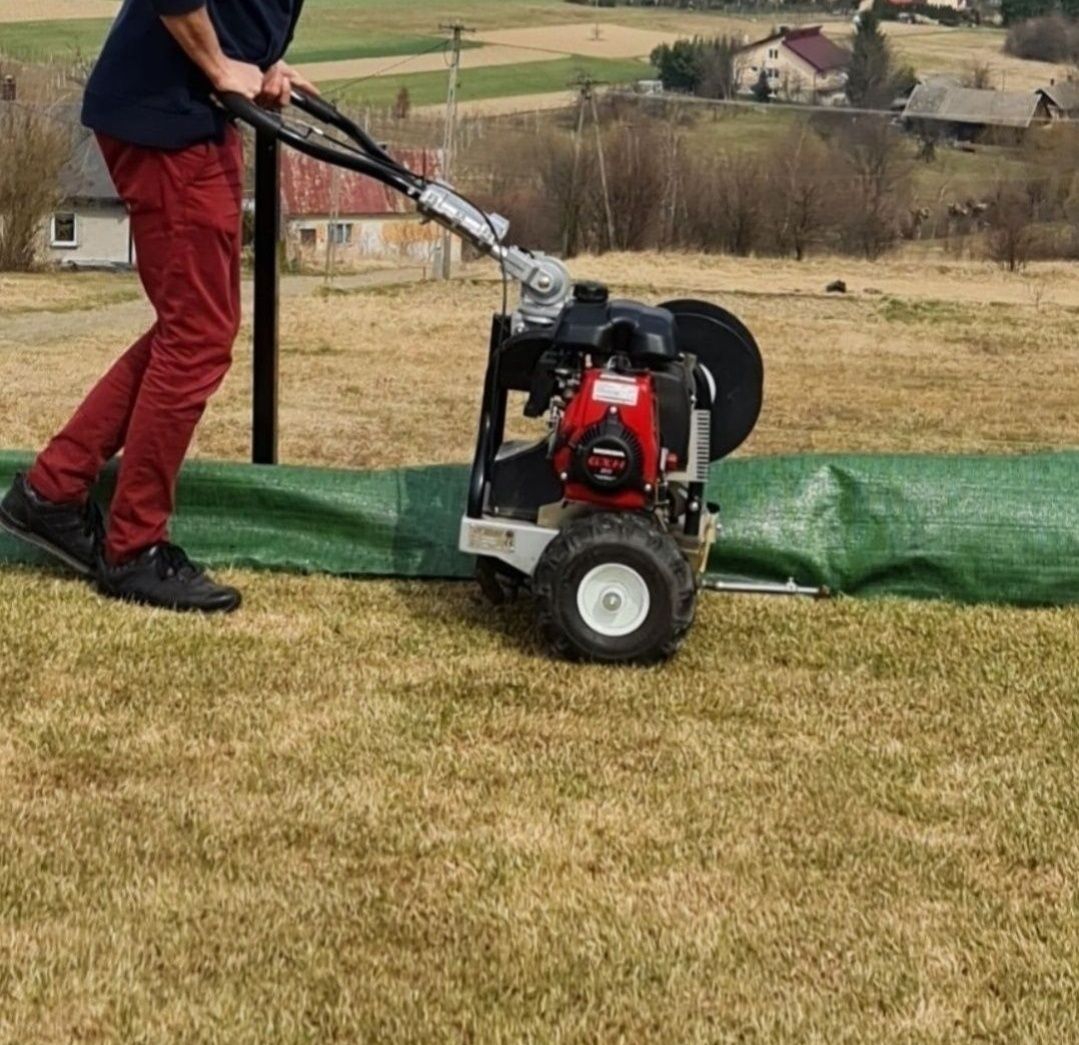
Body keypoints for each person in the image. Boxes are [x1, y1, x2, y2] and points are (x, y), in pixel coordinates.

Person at [0, 0, 314, 614]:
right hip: (167, 120)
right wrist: (221, 66)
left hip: (188, 115)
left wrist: (263, 61)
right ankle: (133, 547)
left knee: (196, 331)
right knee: (195, 336)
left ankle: (53, 492)